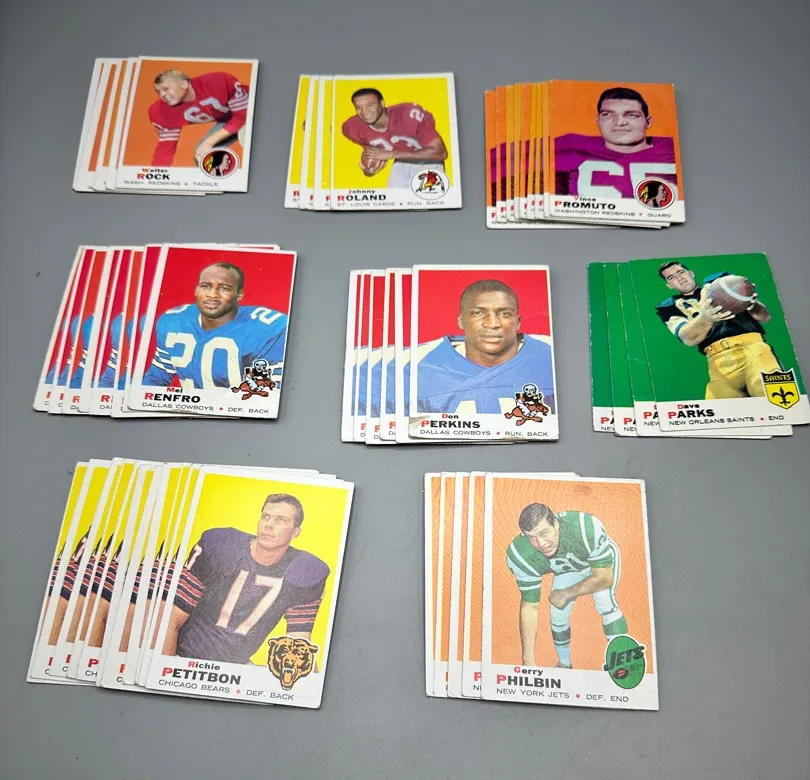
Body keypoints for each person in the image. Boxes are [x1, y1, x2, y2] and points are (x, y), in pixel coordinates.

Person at [161, 494, 329, 665]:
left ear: (295, 532)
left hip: (237, 668)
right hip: (183, 657)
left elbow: (300, 646)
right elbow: (170, 620)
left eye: (281, 520)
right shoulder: (221, 546)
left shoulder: (306, 571)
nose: (269, 525)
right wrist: (166, 669)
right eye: (266, 517)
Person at [506, 503, 627, 669]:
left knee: (604, 600)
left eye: (544, 533)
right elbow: (529, 606)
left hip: (597, 565)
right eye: (531, 537)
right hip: (568, 568)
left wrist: (566, 593)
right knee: (557, 614)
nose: (540, 543)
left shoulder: (584, 527)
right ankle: (564, 664)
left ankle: (623, 662)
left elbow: (604, 578)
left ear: (556, 524)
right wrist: (528, 660)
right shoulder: (521, 554)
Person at [411, 279, 554, 414]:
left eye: (505, 314)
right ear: (461, 321)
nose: (492, 324)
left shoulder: (552, 355)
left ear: (518, 323)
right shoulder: (417, 362)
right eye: (478, 313)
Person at [141, 262, 287, 391]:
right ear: (196, 290)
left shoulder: (268, 329)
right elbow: (155, 379)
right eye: (205, 286)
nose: (212, 295)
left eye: (224, 288)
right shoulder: (173, 322)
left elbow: (269, 395)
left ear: (239, 295)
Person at [656, 261, 778, 398]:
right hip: (717, 361)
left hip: (753, 350)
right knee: (718, 408)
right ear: (669, 285)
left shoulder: (722, 283)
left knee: (772, 397)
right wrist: (706, 319)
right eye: (671, 277)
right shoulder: (670, 307)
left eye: (680, 272)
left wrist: (751, 303)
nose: (679, 278)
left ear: (691, 273)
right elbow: (688, 339)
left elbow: (765, 317)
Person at [554, 86, 677, 199]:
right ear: (598, 120)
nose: (619, 122)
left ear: (648, 122)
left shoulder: (674, 150)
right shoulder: (569, 147)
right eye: (607, 114)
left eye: (631, 115)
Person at [341, 88, 448, 189]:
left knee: (427, 197)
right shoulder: (352, 127)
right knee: (394, 199)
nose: (364, 112)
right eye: (358, 107)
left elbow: (440, 152)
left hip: (428, 161)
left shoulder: (407, 114)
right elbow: (374, 155)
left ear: (382, 104)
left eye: (370, 105)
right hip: (401, 162)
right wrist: (369, 170)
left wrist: (391, 154)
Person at [149, 70, 250, 167]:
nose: (162, 95)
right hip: (229, 119)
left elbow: (243, 115)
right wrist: (156, 174)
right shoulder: (161, 111)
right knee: (203, 155)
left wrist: (208, 142)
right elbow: (166, 147)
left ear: (184, 84)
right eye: (158, 91)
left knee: (245, 134)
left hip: (251, 108)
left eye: (166, 89)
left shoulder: (215, 82)